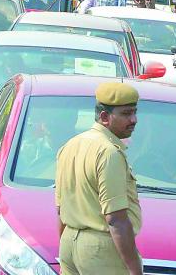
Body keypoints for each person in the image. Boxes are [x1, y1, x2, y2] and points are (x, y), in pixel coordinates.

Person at [55, 82, 143, 275]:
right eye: (126, 114)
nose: (134, 119)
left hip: (69, 241)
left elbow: (60, 210)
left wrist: (64, 252)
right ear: (104, 117)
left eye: (135, 112)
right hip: (99, 250)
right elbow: (116, 220)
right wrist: (136, 271)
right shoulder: (109, 152)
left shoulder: (70, 145)